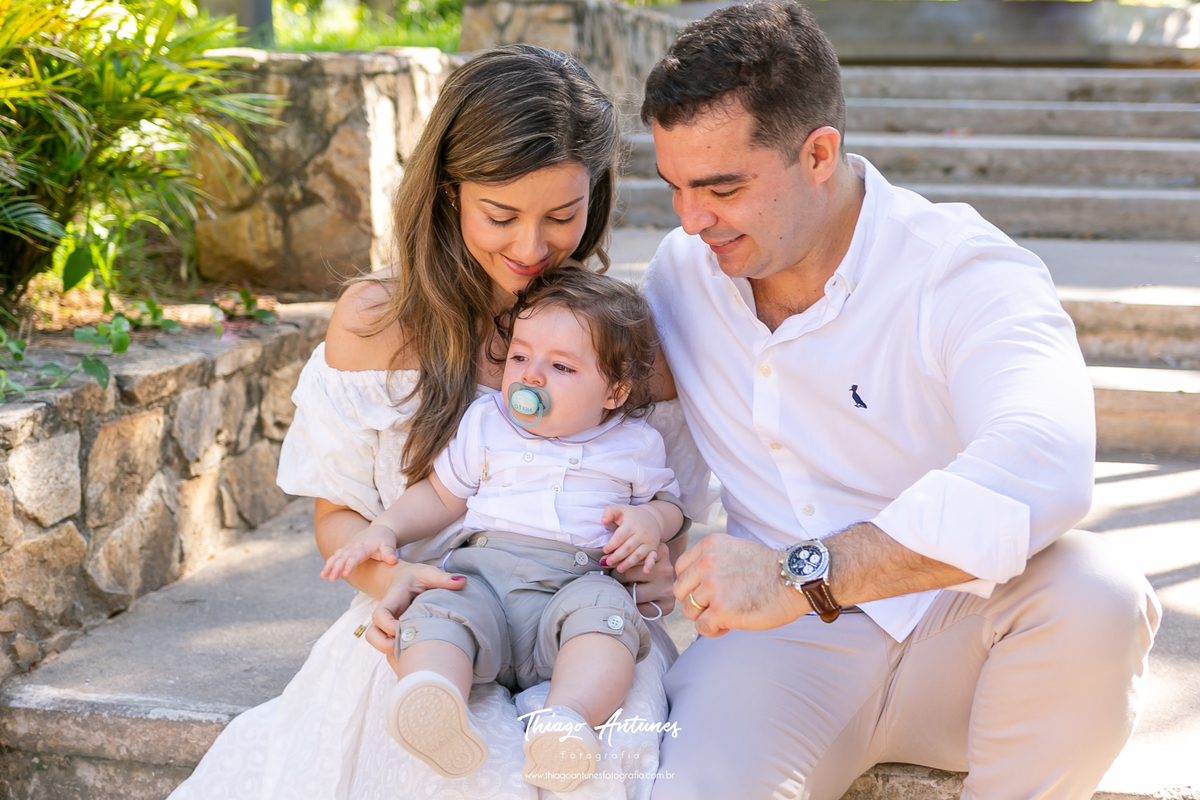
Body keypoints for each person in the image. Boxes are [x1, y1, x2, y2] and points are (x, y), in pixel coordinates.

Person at [637, 3, 1162, 799]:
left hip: (960, 624)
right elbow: (636, 447)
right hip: (775, 653)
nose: (690, 218)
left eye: (721, 187)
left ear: (819, 154)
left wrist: (801, 574)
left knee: (1098, 595)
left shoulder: (961, 269)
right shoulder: (681, 274)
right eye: (673, 186)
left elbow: (1044, 462)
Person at [168, 45, 715, 800]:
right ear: (448, 191)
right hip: (426, 622)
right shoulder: (374, 322)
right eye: (501, 215)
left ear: (597, 191)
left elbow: (671, 513)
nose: (531, 247)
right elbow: (340, 518)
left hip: (587, 637)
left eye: (562, 215)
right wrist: (391, 576)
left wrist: (652, 555)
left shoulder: (620, 343)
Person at [320, 268, 686, 792]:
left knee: (607, 624)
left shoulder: (634, 443)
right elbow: (441, 494)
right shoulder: (487, 423)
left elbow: (667, 504)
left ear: (615, 390)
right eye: (519, 357)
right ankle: (434, 698)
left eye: (560, 366)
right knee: (439, 612)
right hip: (483, 575)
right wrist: (385, 529)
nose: (530, 376)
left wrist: (650, 520)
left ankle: (567, 720)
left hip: (577, 585)